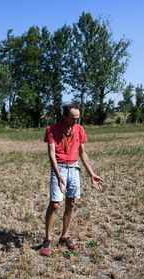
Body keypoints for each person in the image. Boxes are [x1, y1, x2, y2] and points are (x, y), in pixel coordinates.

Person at [40, 104, 104, 256]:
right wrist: (58, 175)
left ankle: (64, 236)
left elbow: (82, 153)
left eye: (78, 118)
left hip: (74, 168)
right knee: (55, 204)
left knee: (71, 202)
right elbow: (51, 154)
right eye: (73, 118)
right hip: (59, 168)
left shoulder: (79, 129)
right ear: (65, 116)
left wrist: (92, 174)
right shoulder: (52, 130)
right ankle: (47, 239)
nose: (76, 121)